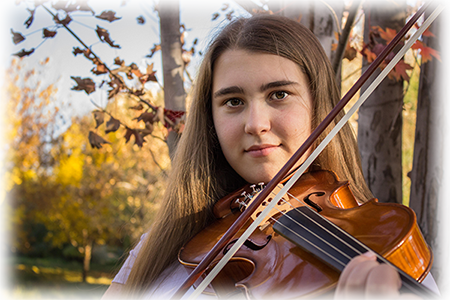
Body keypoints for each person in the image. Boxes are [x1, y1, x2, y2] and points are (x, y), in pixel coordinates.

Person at [101, 14, 437, 300]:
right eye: (233, 101)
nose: (256, 124)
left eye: (279, 94)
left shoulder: (384, 248)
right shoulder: (162, 246)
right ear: (211, 119)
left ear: (319, 108)